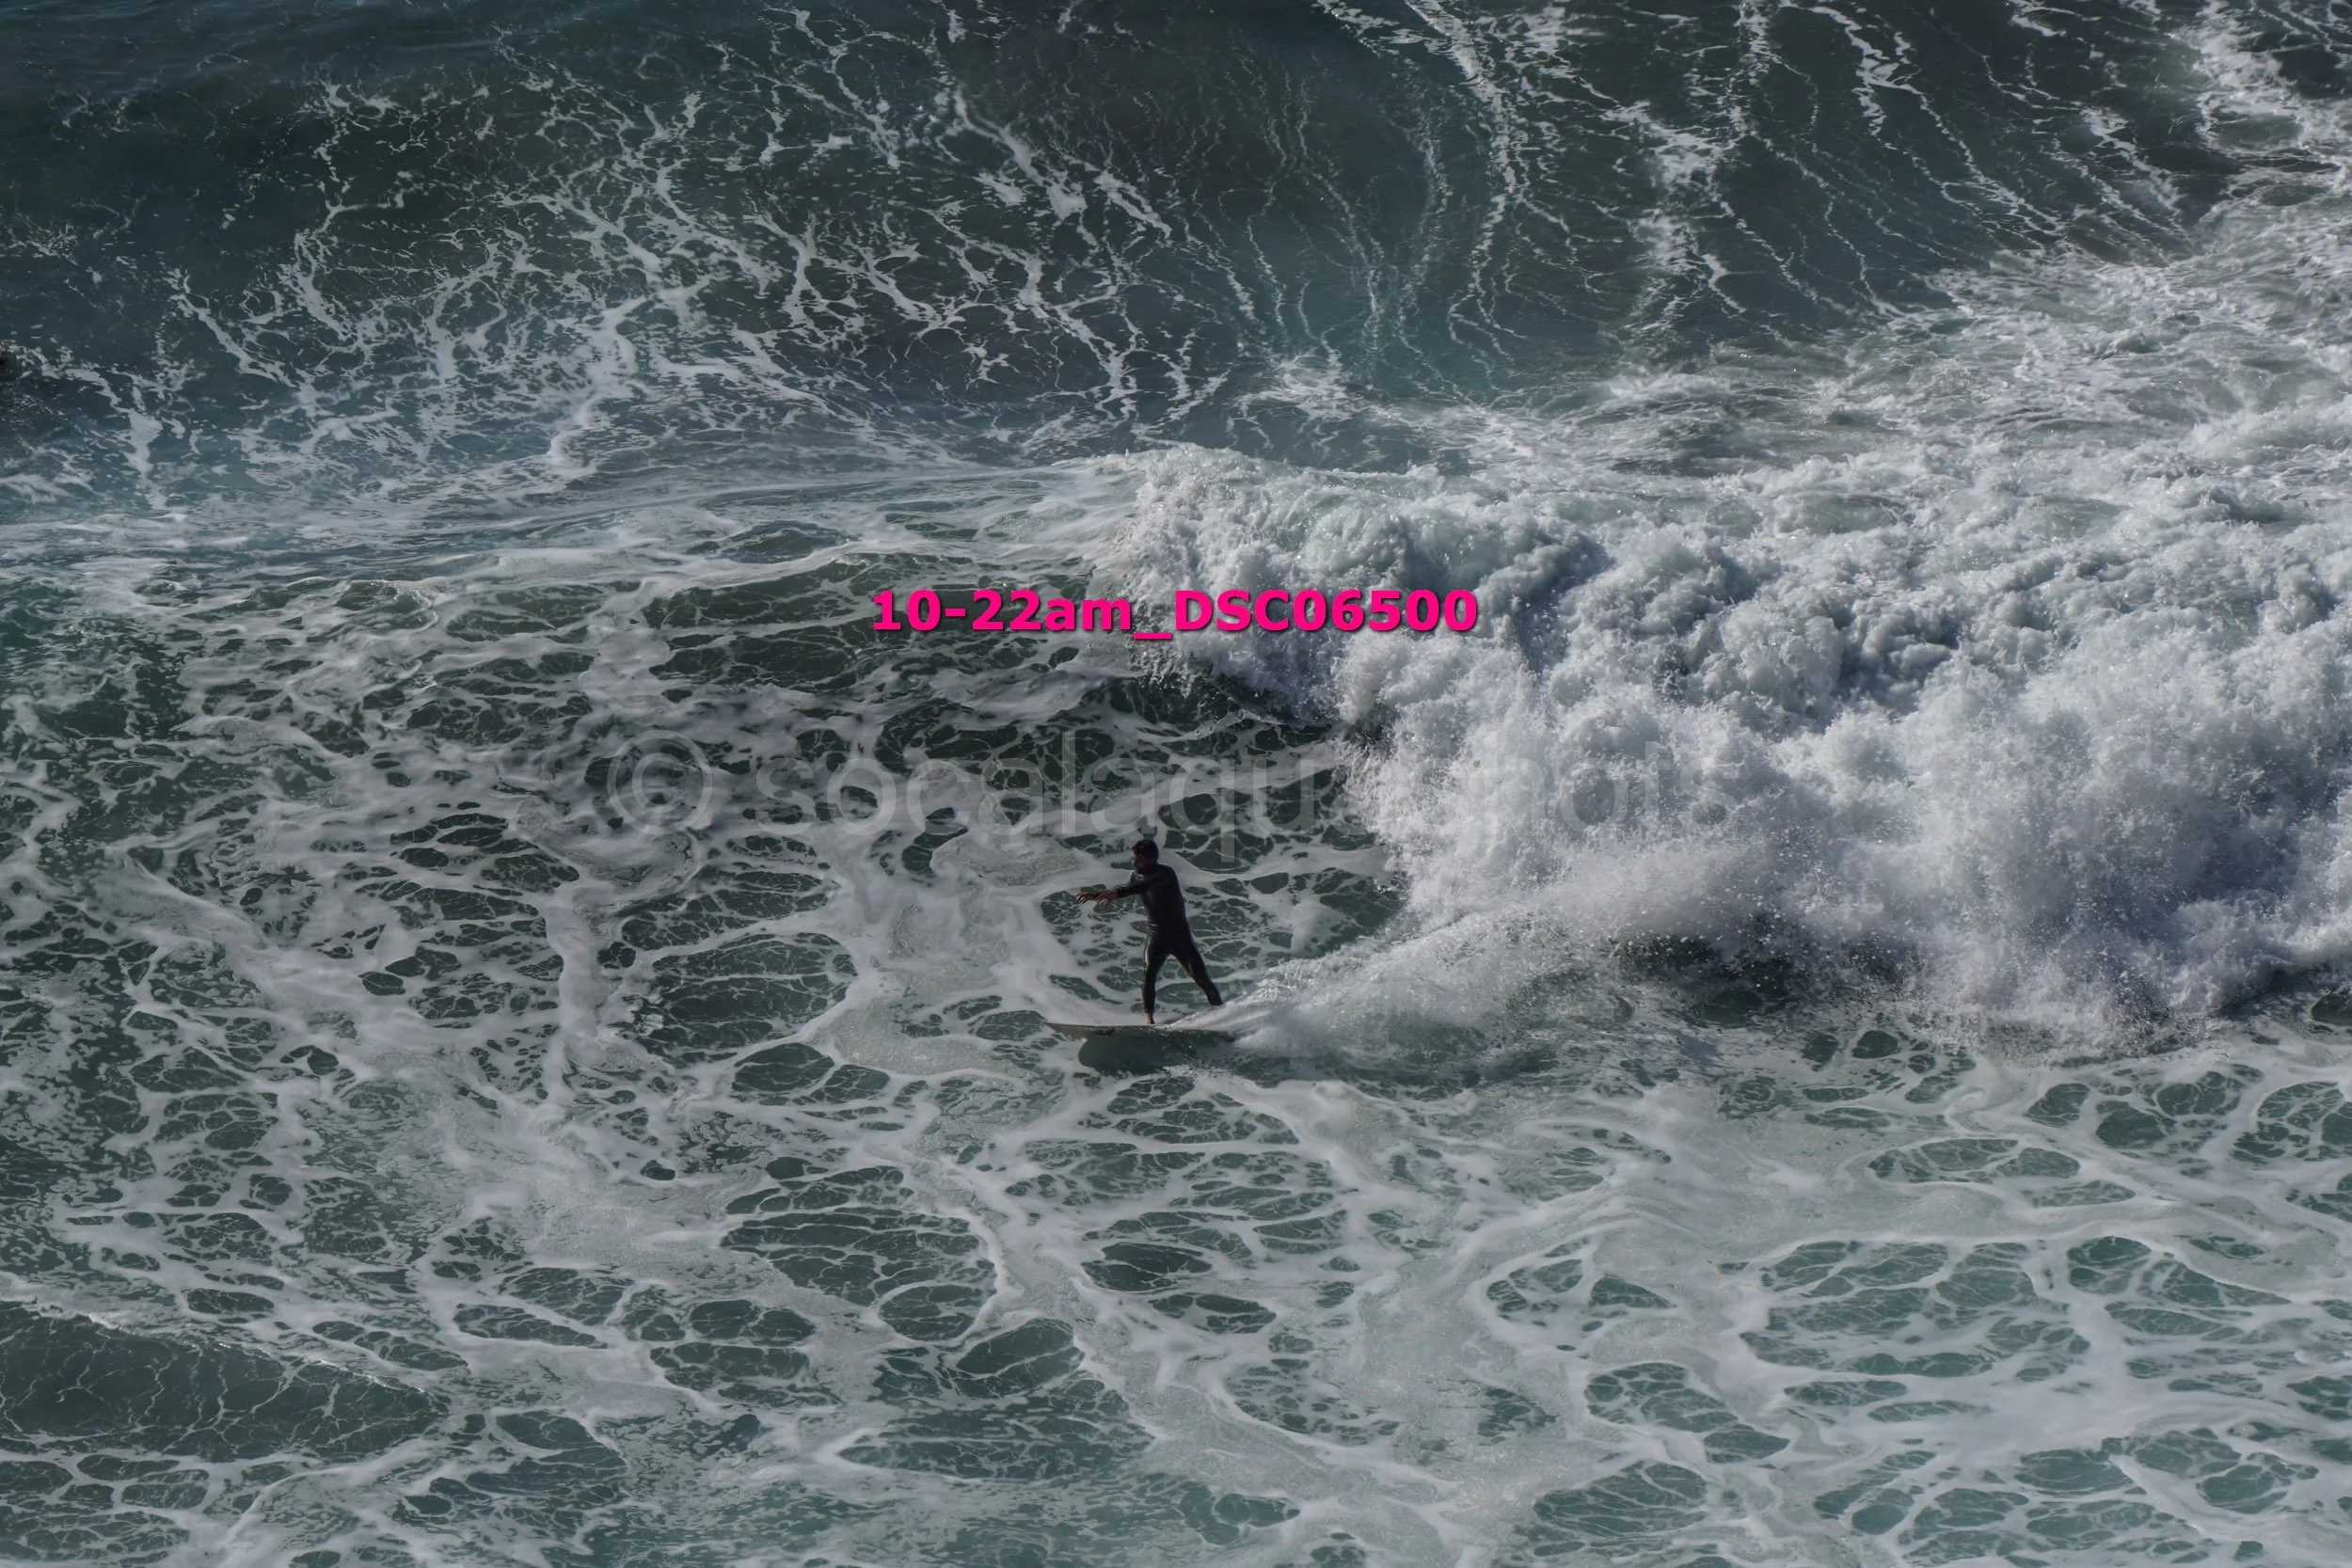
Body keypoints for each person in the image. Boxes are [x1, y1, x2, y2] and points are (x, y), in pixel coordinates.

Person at [1078, 838, 1222, 1025]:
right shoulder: (1136, 875)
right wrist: (1095, 895)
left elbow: (1143, 886)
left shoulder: (1165, 874)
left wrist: (1116, 894)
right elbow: (1129, 887)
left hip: (1179, 937)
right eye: (1134, 859)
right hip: (1156, 936)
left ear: (1152, 860)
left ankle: (1223, 1014)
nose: (1134, 863)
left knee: (1202, 980)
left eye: (1139, 860)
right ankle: (1149, 1020)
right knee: (1148, 975)